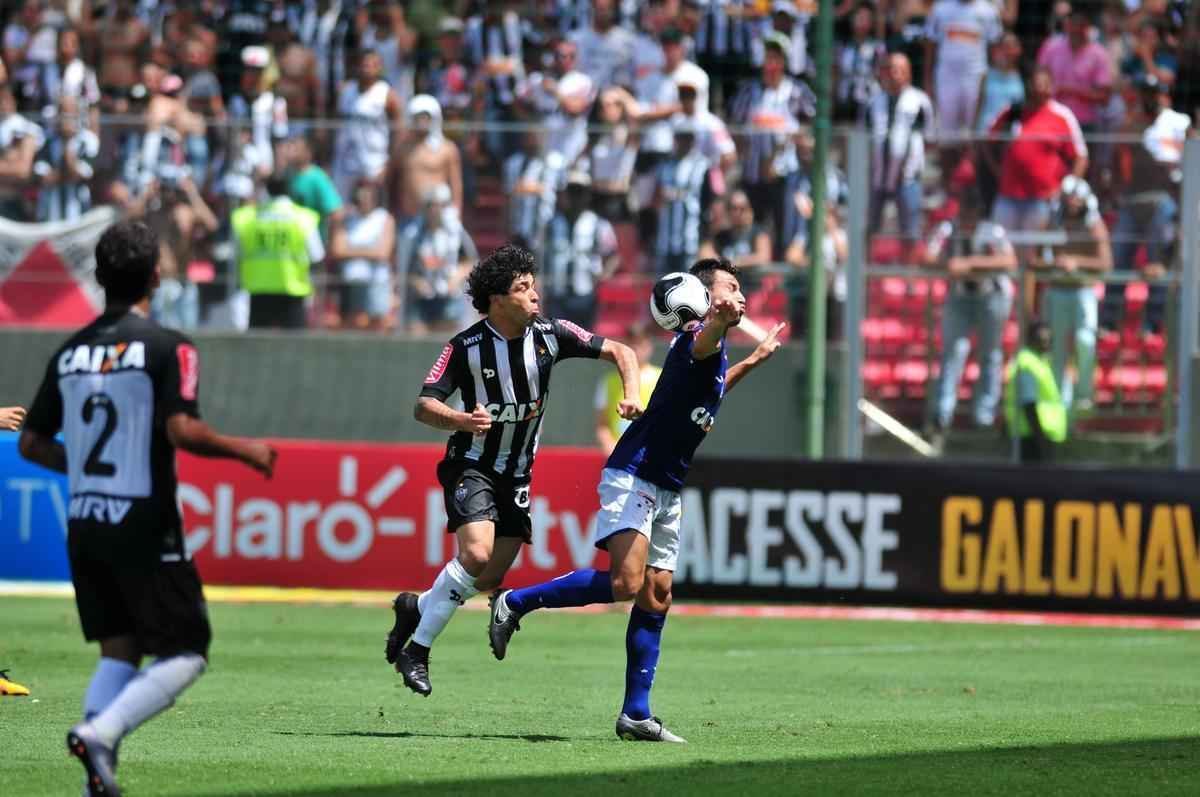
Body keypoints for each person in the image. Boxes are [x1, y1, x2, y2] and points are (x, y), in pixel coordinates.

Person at [17, 220, 276, 796]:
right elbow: (182, 429)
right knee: (187, 652)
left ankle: (93, 784)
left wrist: (81, 465)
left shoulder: (69, 352)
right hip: (144, 521)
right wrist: (247, 450)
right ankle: (101, 733)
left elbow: (32, 442)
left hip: (84, 523)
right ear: (156, 276)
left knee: (121, 651)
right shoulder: (168, 346)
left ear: (100, 276)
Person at [487, 258, 786, 742]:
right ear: (703, 296)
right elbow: (703, 337)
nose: (741, 294)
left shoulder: (709, 350)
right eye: (731, 287)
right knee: (627, 582)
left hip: (668, 483)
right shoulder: (697, 338)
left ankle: (636, 715)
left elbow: (709, 394)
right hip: (637, 473)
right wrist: (718, 318)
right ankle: (515, 603)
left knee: (657, 593)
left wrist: (752, 359)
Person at [385, 243, 644, 697]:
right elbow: (423, 405)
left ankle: (415, 606)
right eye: (523, 289)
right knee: (477, 555)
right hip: (472, 464)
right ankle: (418, 651)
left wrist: (631, 394)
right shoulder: (465, 347)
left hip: (518, 473)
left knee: (486, 579)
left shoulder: (551, 334)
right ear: (498, 300)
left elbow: (622, 350)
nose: (535, 295)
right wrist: (461, 420)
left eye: (533, 285)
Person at [925, 180, 1018, 449]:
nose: (968, 216)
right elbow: (925, 255)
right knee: (953, 353)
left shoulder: (993, 231)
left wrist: (971, 264)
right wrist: (949, 264)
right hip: (960, 298)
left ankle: (984, 415)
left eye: (972, 210)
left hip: (992, 298)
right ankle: (942, 414)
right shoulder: (947, 229)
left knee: (990, 355)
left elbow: (1008, 260)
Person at [1036, 175, 1112, 411]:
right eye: (1069, 200)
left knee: (1085, 340)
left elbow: (1105, 262)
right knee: (1057, 347)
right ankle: (1060, 400)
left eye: (1077, 200)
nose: (1073, 205)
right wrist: (1054, 264)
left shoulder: (1094, 224)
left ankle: (1084, 393)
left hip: (1083, 291)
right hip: (1057, 292)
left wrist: (1075, 261)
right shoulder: (1052, 221)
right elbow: (1035, 258)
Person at [231, 173, 325, 330]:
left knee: (258, 350)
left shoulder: (246, 218)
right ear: (290, 190)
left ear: (266, 189)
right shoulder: (304, 218)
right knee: (295, 350)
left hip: (258, 292)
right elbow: (317, 256)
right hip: (293, 292)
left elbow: (237, 253)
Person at [867, 52, 934, 263]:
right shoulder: (873, 101)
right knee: (869, 227)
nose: (895, 74)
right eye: (891, 69)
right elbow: (863, 136)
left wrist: (913, 162)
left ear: (908, 74)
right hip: (877, 175)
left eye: (900, 69)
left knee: (910, 231)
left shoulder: (920, 100)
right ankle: (866, 275)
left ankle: (909, 281)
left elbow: (929, 137)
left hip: (907, 177)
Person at [542, 170, 620, 330]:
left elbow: (613, 255)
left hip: (585, 295)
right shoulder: (551, 224)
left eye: (580, 192)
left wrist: (603, 275)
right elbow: (539, 254)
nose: (576, 197)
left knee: (585, 344)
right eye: (572, 192)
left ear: (587, 195)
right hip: (557, 296)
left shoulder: (599, 224)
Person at [397, 183, 477, 335]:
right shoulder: (413, 235)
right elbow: (405, 267)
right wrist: (416, 281)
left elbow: (470, 261)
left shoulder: (456, 234)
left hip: (448, 297)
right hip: (420, 299)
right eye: (432, 205)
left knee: (445, 343)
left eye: (440, 205)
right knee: (417, 336)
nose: (436, 210)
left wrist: (457, 275)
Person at [329, 179, 397, 332]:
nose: (365, 198)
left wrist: (352, 250)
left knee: (378, 324)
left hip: (377, 281)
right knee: (353, 323)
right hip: (351, 281)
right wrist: (370, 250)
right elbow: (338, 250)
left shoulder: (384, 218)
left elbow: (383, 253)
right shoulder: (346, 218)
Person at [1004, 319, 1067, 463]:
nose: (1046, 343)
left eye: (1048, 340)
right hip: (1033, 437)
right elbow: (1029, 403)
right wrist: (1041, 440)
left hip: (1037, 434)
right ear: (1031, 339)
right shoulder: (1028, 364)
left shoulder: (1038, 361)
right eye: (1042, 340)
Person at [595, 322, 662, 455]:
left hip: (652, 454)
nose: (636, 349)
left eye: (640, 344)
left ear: (649, 346)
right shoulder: (608, 382)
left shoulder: (662, 377)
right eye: (632, 344)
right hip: (618, 457)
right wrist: (612, 450)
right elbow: (602, 425)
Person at [653, 118, 709, 275]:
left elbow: (709, 201)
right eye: (681, 137)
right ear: (675, 139)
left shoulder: (702, 164)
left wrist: (705, 238)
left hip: (690, 238)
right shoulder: (665, 164)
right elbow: (656, 197)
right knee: (663, 289)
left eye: (688, 137)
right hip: (665, 239)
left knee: (688, 287)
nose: (685, 141)